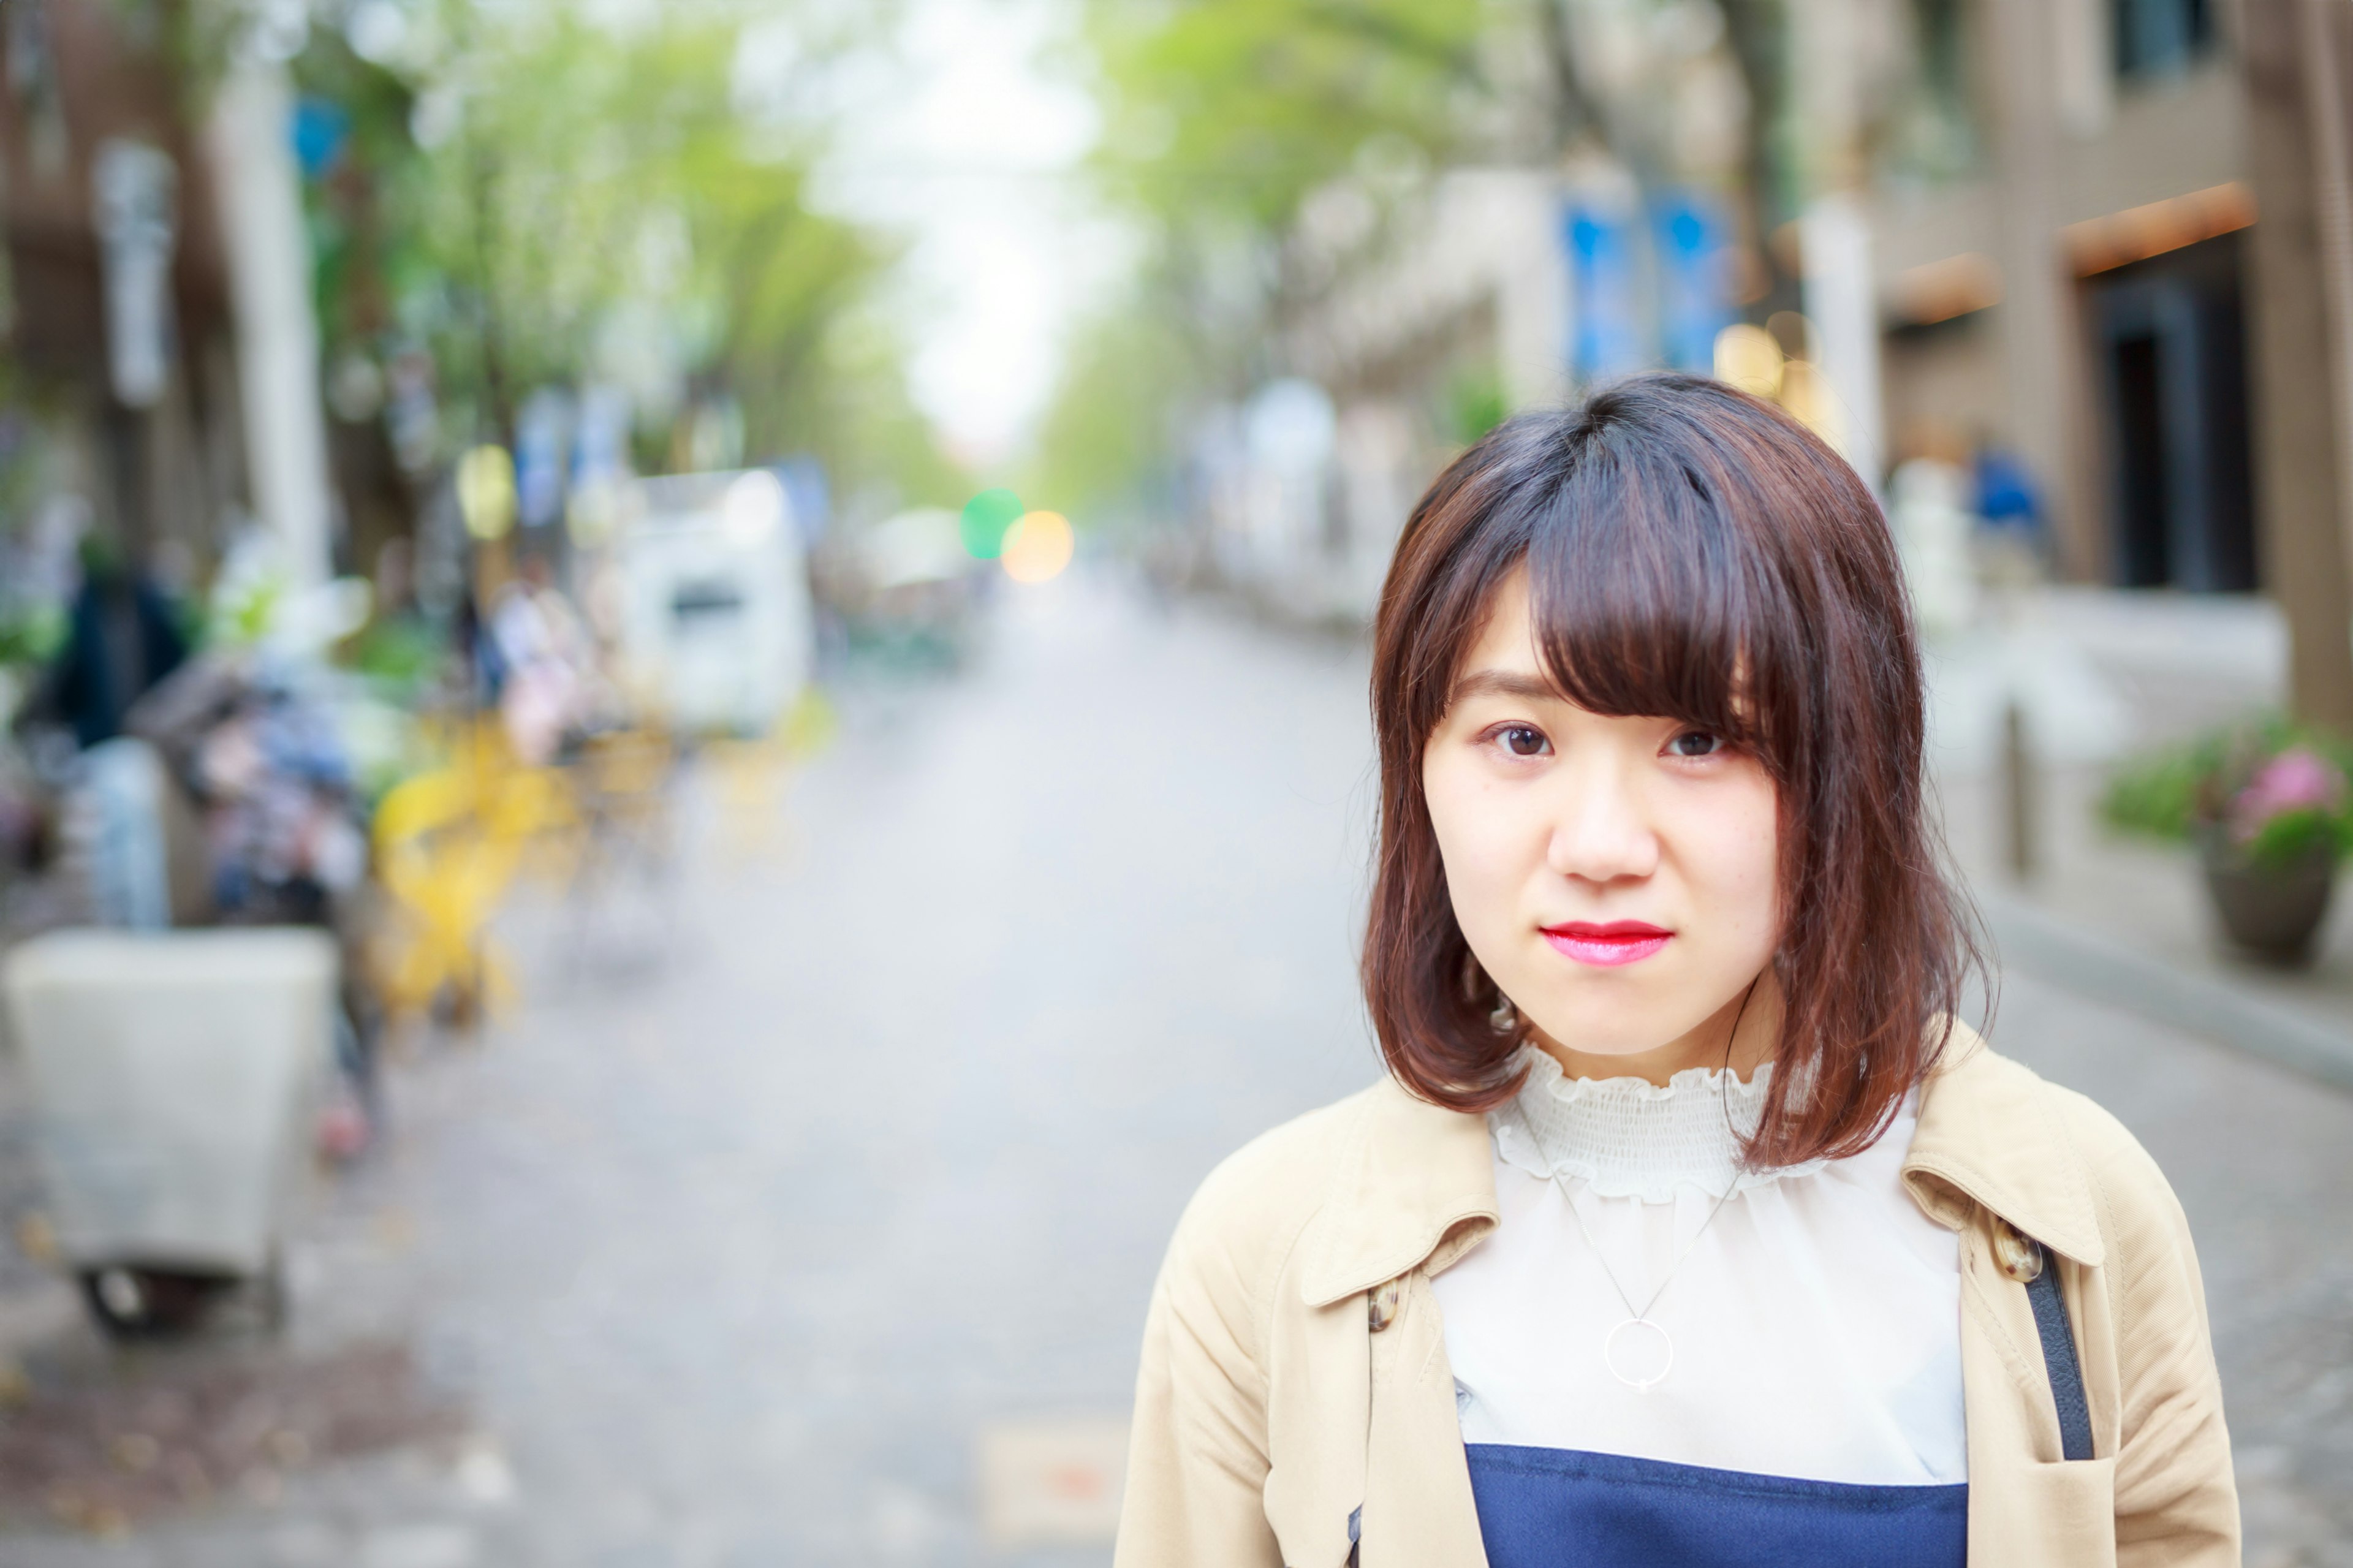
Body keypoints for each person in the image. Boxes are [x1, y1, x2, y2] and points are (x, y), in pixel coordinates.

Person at [1113, 375, 2236, 1567]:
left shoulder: (2072, 1213)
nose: (1600, 845)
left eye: (1699, 739)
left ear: (1848, 757)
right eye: (1523, 738)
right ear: (1419, 768)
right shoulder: (1270, 1246)